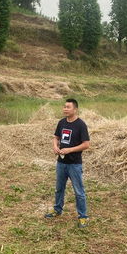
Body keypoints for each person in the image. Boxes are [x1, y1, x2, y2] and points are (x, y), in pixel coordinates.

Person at [45, 98, 90, 228]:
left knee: (79, 191)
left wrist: (70, 150)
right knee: (59, 188)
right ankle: (57, 209)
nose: (65, 109)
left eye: (68, 107)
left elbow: (86, 144)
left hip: (74, 164)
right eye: (64, 107)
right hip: (61, 163)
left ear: (75, 109)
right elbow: (56, 137)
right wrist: (55, 146)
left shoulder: (81, 125)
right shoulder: (61, 122)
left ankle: (83, 216)